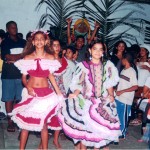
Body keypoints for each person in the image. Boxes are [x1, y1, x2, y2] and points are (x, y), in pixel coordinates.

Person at [58, 40, 121, 150]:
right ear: (90, 50)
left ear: (103, 52)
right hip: (86, 101)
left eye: (100, 49)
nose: (97, 51)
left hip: (102, 102)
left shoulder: (108, 66)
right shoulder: (83, 65)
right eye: (95, 49)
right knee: (85, 131)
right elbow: (78, 83)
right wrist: (75, 93)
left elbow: (109, 84)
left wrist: (111, 95)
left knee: (98, 133)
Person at [9, 30, 63, 150]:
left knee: (43, 124)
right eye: (36, 39)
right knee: (26, 125)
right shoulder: (27, 57)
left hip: (45, 94)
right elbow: (24, 77)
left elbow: (50, 76)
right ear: (33, 42)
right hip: (31, 93)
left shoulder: (50, 58)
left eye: (41, 39)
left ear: (45, 41)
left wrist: (58, 92)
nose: (39, 41)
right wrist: (28, 87)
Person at [1, 21, 26, 132]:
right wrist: (20, 56)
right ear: (7, 29)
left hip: (21, 75)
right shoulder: (5, 42)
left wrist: (15, 57)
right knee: (9, 99)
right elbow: (6, 56)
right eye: (11, 27)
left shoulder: (23, 42)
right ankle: (10, 122)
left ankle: (19, 121)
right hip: (8, 75)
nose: (14, 29)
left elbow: (27, 55)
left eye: (15, 27)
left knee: (20, 99)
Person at [115, 53, 138, 139]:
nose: (121, 61)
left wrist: (122, 91)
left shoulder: (132, 71)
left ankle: (122, 133)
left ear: (126, 60)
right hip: (119, 98)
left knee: (123, 117)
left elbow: (135, 86)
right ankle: (118, 131)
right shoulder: (123, 70)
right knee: (118, 116)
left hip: (126, 99)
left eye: (122, 59)